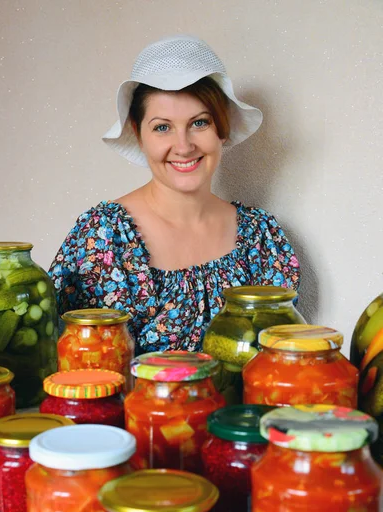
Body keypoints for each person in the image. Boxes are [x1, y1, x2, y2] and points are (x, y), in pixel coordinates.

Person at [49, 35, 300, 354]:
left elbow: (283, 361)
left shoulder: (263, 239)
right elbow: (67, 362)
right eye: (162, 127)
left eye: (199, 123)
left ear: (221, 129)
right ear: (139, 134)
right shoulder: (101, 238)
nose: (183, 146)